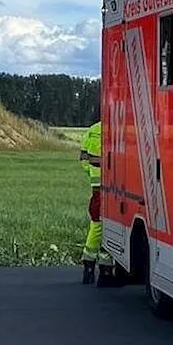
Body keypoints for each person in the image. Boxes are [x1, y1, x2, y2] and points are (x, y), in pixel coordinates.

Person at [79, 118, 111, 284]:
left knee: (96, 225)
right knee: (108, 227)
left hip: (96, 187)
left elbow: (83, 158)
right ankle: (105, 270)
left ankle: (89, 265)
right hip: (111, 188)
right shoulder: (113, 128)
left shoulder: (91, 131)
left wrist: (92, 174)